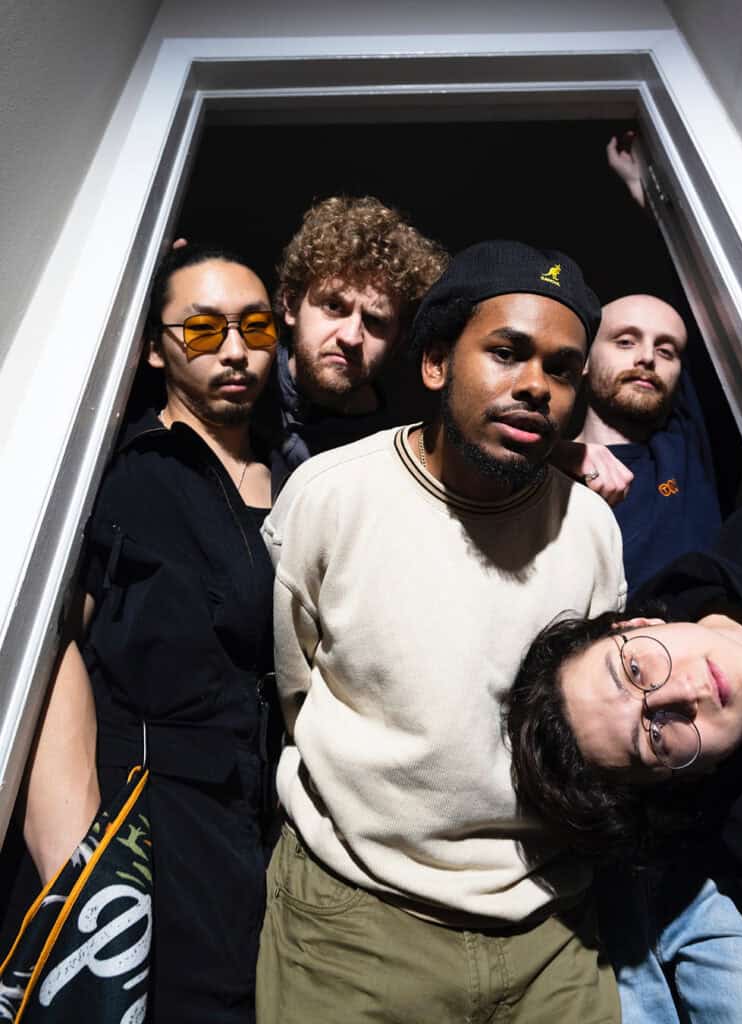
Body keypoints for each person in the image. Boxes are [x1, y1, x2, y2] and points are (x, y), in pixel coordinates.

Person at [256, 240, 627, 1023]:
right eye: (506, 353)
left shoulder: (591, 527)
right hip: (354, 916)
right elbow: (294, 683)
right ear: (434, 364)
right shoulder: (331, 495)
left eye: (562, 369)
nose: (536, 386)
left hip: (550, 924)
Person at [4, 244, 283, 1022]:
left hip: (254, 823)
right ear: (156, 349)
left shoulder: (299, 479)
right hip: (143, 818)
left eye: (256, 326)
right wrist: (79, 866)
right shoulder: (125, 472)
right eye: (203, 329)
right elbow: (51, 655)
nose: (235, 350)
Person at [507, 502, 742, 1020]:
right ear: (678, 778)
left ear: (636, 622)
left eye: (634, 669)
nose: (680, 692)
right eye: (653, 736)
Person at [270, 194, 447, 468]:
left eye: (375, 321)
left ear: (397, 340)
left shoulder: (392, 451)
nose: (351, 337)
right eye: (334, 306)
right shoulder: (242, 393)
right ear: (292, 305)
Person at [568, 293, 722, 591]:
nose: (648, 357)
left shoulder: (685, 451)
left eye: (666, 351)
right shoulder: (540, 475)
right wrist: (555, 454)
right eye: (626, 342)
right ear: (583, 359)